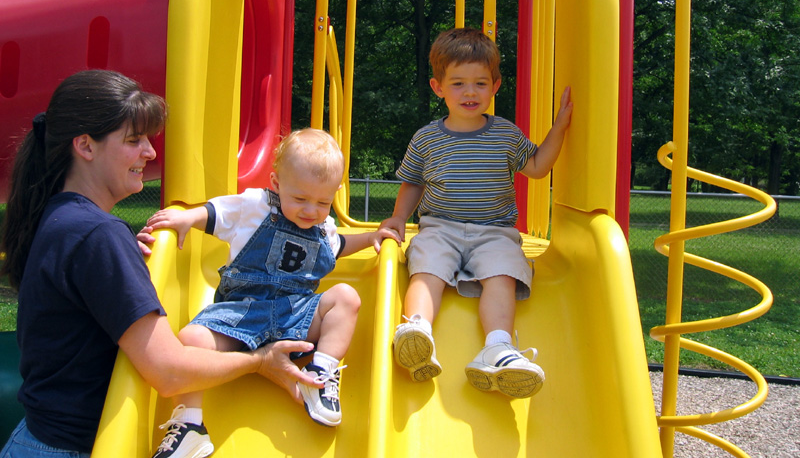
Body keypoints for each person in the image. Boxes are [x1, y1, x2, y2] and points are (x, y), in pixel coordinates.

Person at [0, 70, 321, 458]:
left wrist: (122, 262)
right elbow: (169, 372)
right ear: (85, 146)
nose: (150, 153)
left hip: (36, 438)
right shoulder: (96, 235)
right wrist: (258, 360)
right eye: (134, 141)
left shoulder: (60, 219)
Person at [145, 128, 400, 453]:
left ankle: (321, 372)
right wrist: (187, 218)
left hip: (296, 315)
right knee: (191, 339)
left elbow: (340, 247)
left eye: (323, 201)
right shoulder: (256, 207)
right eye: (300, 199)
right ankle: (190, 425)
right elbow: (216, 213)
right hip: (240, 314)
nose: (311, 210)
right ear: (277, 184)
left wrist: (373, 237)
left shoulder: (324, 227)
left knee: (346, 298)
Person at [381, 28, 573, 399]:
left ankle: (498, 348)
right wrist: (398, 218)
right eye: (458, 84)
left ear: (495, 86)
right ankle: (416, 329)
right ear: (438, 87)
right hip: (440, 227)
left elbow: (535, 167)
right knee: (427, 269)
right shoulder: (426, 138)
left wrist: (559, 128)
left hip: (494, 232)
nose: (470, 93)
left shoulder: (504, 133)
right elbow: (414, 182)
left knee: (501, 274)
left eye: (480, 83)